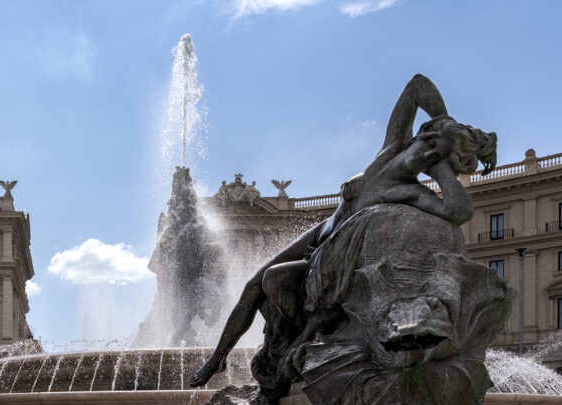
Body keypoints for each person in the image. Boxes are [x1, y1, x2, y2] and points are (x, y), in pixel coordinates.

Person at [190, 74, 496, 387]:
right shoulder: (390, 150)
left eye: (434, 158)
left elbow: (459, 210)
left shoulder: (412, 192)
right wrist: (445, 122)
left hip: (336, 260)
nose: (424, 154)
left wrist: (443, 168)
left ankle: (308, 339)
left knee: (274, 280)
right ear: (422, 136)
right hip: (323, 232)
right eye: (426, 145)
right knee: (254, 283)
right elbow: (417, 85)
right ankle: (218, 358)